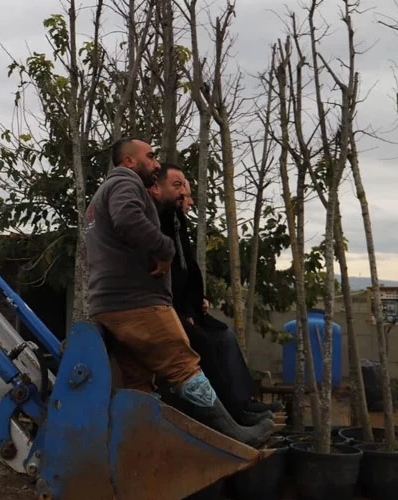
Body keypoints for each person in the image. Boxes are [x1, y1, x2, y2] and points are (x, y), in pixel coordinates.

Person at [85, 137, 273, 446]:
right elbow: (128, 220)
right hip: (137, 303)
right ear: (129, 161)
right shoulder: (124, 182)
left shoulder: (101, 195)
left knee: (139, 384)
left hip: (110, 306)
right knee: (184, 364)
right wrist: (165, 249)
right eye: (150, 156)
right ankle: (235, 436)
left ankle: (140, 449)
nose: (156, 163)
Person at [149, 164, 280, 427]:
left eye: (185, 187)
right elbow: (164, 277)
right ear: (156, 188)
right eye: (178, 186)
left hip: (188, 309)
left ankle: (243, 401)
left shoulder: (177, 223)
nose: (184, 194)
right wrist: (184, 313)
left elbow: (187, 272)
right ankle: (231, 414)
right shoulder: (153, 220)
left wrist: (198, 302)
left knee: (226, 336)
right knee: (205, 344)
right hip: (164, 311)